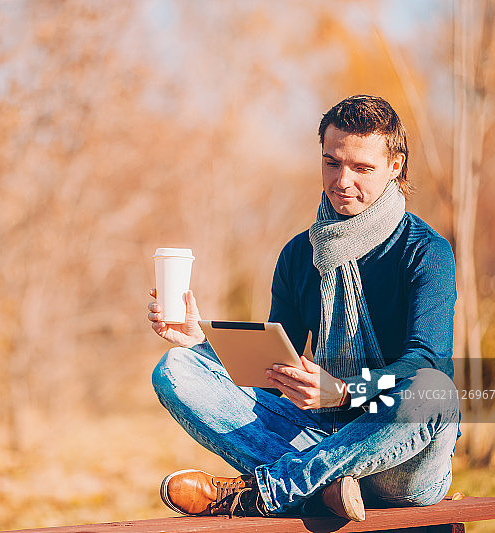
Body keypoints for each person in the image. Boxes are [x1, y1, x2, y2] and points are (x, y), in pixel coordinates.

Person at [147, 95, 459, 521]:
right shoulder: (299, 254)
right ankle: (323, 488)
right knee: (175, 368)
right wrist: (202, 343)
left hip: (400, 462)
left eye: (362, 168)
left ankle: (267, 491)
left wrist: (345, 391)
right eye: (332, 163)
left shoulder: (425, 252)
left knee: (434, 390)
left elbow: (427, 362)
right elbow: (275, 371)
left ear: (395, 165)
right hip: (315, 433)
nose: (342, 181)